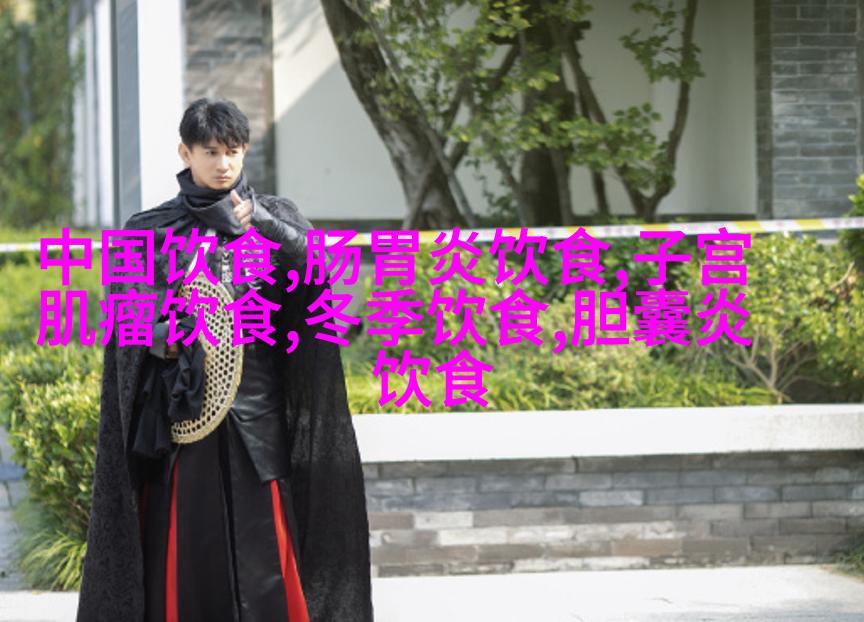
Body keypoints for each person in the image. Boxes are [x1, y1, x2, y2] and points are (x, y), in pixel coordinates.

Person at [76, 98, 374, 621]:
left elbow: (326, 281)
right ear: (185, 153)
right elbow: (126, 322)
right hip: (183, 423)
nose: (223, 164)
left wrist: (270, 227)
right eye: (210, 152)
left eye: (233, 151)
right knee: (187, 556)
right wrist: (170, 336)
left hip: (258, 422)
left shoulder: (277, 221)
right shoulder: (148, 230)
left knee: (267, 561)